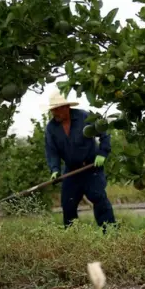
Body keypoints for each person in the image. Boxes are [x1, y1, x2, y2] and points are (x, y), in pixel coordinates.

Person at [44, 90, 116, 233]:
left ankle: (111, 234)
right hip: (71, 171)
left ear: (65, 108)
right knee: (68, 204)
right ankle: (73, 238)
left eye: (56, 110)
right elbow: (52, 151)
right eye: (52, 111)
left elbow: (105, 133)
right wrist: (55, 169)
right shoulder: (51, 128)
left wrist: (102, 152)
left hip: (91, 168)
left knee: (99, 199)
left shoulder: (85, 117)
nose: (54, 114)